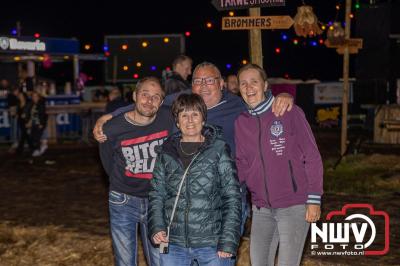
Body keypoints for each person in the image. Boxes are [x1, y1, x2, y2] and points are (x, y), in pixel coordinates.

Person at [234, 64, 323, 266]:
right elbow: (241, 163)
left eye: (254, 82)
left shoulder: (290, 112)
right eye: (243, 84)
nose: (249, 88)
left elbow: (312, 156)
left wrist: (314, 199)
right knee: (258, 262)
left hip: (294, 206)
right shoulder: (241, 122)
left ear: (265, 85)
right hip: (260, 208)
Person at [148, 94, 241, 266]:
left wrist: (228, 240)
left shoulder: (219, 150)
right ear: (177, 122)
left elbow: (232, 197)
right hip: (172, 242)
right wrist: (157, 227)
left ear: (203, 119)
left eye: (195, 114)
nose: (190, 120)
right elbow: (156, 194)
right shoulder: (166, 152)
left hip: (211, 244)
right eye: (184, 115)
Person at [99, 77, 175, 266]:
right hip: (123, 200)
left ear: (162, 101)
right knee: (125, 261)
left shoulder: (169, 117)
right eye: (145, 95)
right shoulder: (112, 128)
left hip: (158, 202)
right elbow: (108, 163)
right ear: (134, 96)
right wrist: (123, 182)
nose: (149, 101)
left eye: (155, 97)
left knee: (161, 260)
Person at [30, 91, 48, 157]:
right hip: (34, 123)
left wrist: (42, 123)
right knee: (33, 137)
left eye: (36, 97)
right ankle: (39, 148)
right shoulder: (32, 104)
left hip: (39, 123)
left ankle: (38, 149)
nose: (34, 98)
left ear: (38, 97)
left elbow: (43, 115)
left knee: (36, 137)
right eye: (33, 96)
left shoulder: (41, 104)